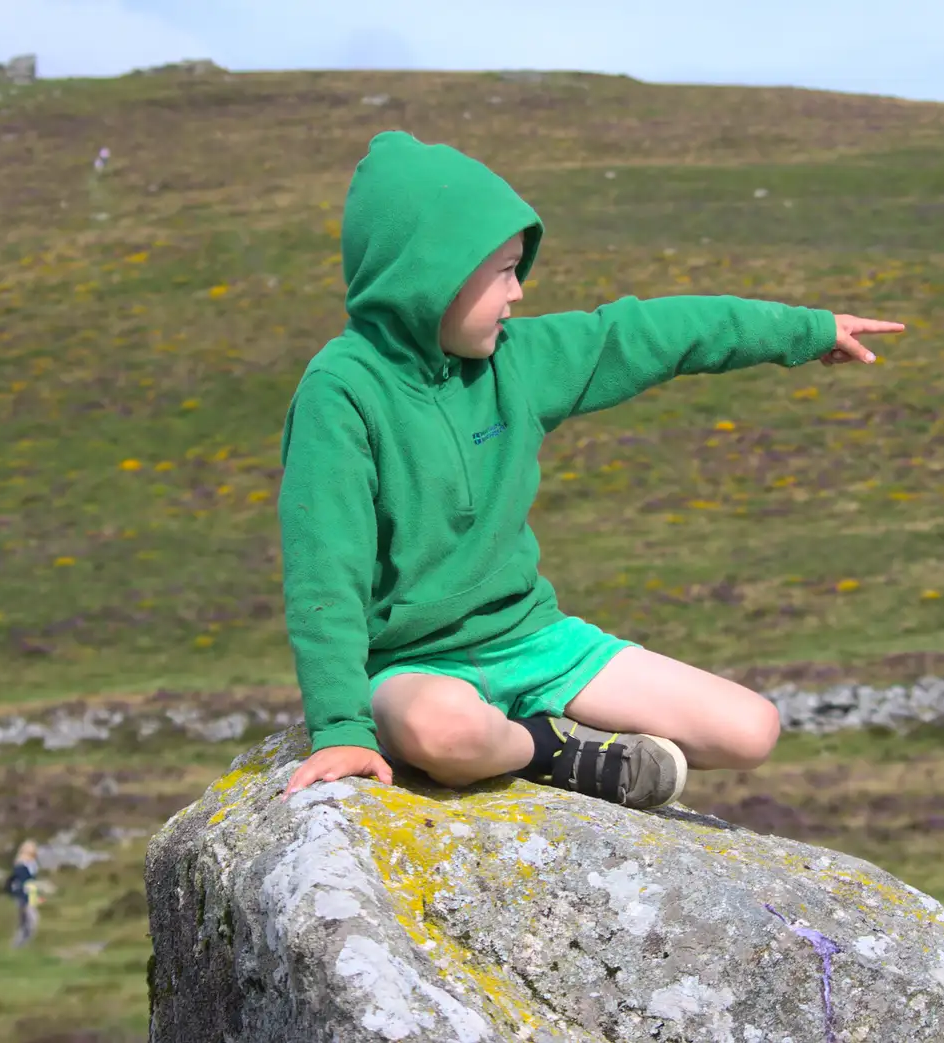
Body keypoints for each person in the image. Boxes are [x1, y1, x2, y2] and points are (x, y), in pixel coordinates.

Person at [279, 131, 903, 810]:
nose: (518, 292)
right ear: (430, 273)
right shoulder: (340, 390)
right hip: (412, 669)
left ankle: (525, 731)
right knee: (445, 730)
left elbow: (648, 334)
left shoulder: (514, 359)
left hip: (534, 639)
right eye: (503, 270)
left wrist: (803, 331)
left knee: (751, 730)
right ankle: (546, 750)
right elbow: (325, 568)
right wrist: (341, 727)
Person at [3, 840, 42, 947]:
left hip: (30, 895)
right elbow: (21, 882)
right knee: (28, 922)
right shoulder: (21, 865)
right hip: (24, 896)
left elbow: (32, 883)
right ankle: (17, 946)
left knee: (30, 922)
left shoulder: (32, 864)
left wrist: (36, 896)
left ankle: (20, 946)